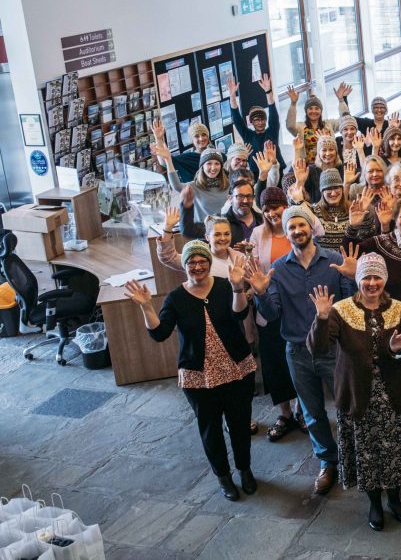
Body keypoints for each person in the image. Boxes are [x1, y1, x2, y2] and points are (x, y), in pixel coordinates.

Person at [124, 243, 256, 501]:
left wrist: (238, 287)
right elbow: (160, 333)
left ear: (208, 262)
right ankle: (223, 476)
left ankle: (245, 469)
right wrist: (146, 307)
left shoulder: (223, 284)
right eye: (191, 262)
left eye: (201, 261)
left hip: (237, 369)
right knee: (210, 429)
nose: (197, 267)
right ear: (184, 266)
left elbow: (239, 314)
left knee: (240, 424)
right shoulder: (176, 298)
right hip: (199, 377)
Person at [246, 204, 356, 496]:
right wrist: (259, 294)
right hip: (297, 350)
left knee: (348, 405)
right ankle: (328, 462)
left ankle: (353, 455)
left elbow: (350, 306)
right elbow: (271, 313)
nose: (296, 230)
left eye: (301, 225)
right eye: (291, 226)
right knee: (312, 412)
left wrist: (353, 278)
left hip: (334, 348)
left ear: (311, 227)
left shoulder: (333, 260)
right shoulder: (279, 269)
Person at [308, 253, 401, 531]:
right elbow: (318, 348)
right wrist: (321, 318)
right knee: (367, 452)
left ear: (384, 279)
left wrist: (395, 350)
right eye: (366, 277)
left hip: (391, 395)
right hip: (358, 395)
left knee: (393, 450)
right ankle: (374, 503)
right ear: (358, 280)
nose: (372, 283)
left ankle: (394, 499)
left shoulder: (397, 309)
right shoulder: (341, 310)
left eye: (377, 277)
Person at [246, 187, 303, 443]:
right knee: (274, 359)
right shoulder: (258, 233)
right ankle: (285, 413)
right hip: (269, 302)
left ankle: (303, 409)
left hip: (297, 303)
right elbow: (255, 264)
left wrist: (298, 203)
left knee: (301, 358)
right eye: (266, 209)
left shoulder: (296, 226)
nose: (271, 213)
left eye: (276, 208)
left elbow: (318, 233)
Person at [344, 196, 401, 301]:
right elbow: (351, 251)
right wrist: (353, 227)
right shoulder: (380, 242)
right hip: (389, 309)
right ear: (395, 220)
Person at [171, 149, 229, 238]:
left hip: (224, 235)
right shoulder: (194, 186)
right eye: (209, 163)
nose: (213, 167)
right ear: (202, 166)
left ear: (221, 166)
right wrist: (168, 160)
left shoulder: (228, 185)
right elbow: (176, 186)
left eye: (217, 163)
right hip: (203, 235)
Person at [286, 88, 342, 164]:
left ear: (321, 111)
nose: (313, 111)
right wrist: (293, 104)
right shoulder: (301, 127)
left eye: (317, 108)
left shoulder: (329, 124)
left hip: (329, 164)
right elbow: (290, 126)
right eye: (310, 108)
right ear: (306, 111)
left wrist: (341, 100)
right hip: (309, 168)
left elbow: (344, 121)